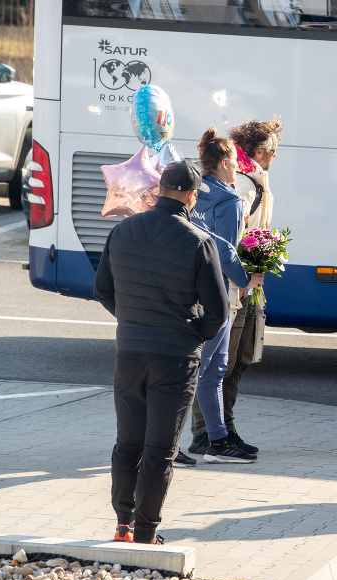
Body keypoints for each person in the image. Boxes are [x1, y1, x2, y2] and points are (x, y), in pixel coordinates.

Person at [93, 160, 228, 544]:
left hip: (130, 352)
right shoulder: (200, 241)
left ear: (159, 189)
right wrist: (188, 336)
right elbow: (218, 313)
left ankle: (123, 524)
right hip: (175, 357)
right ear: (192, 196)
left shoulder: (122, 230)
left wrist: (136, 319)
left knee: (128, 442)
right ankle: (146, 532)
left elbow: (103, 290)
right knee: (159, 449)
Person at [186, 116, 282, 458]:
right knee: (215, 367)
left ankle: (221, 430)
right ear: (255, 150)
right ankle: (209, 435)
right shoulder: (235, 189)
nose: (274, 154)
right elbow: (227, 246)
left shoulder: (242, 181)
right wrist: (243, 280)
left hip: (232, 283)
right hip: (231, 286)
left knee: (228, 363)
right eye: (271, 148)